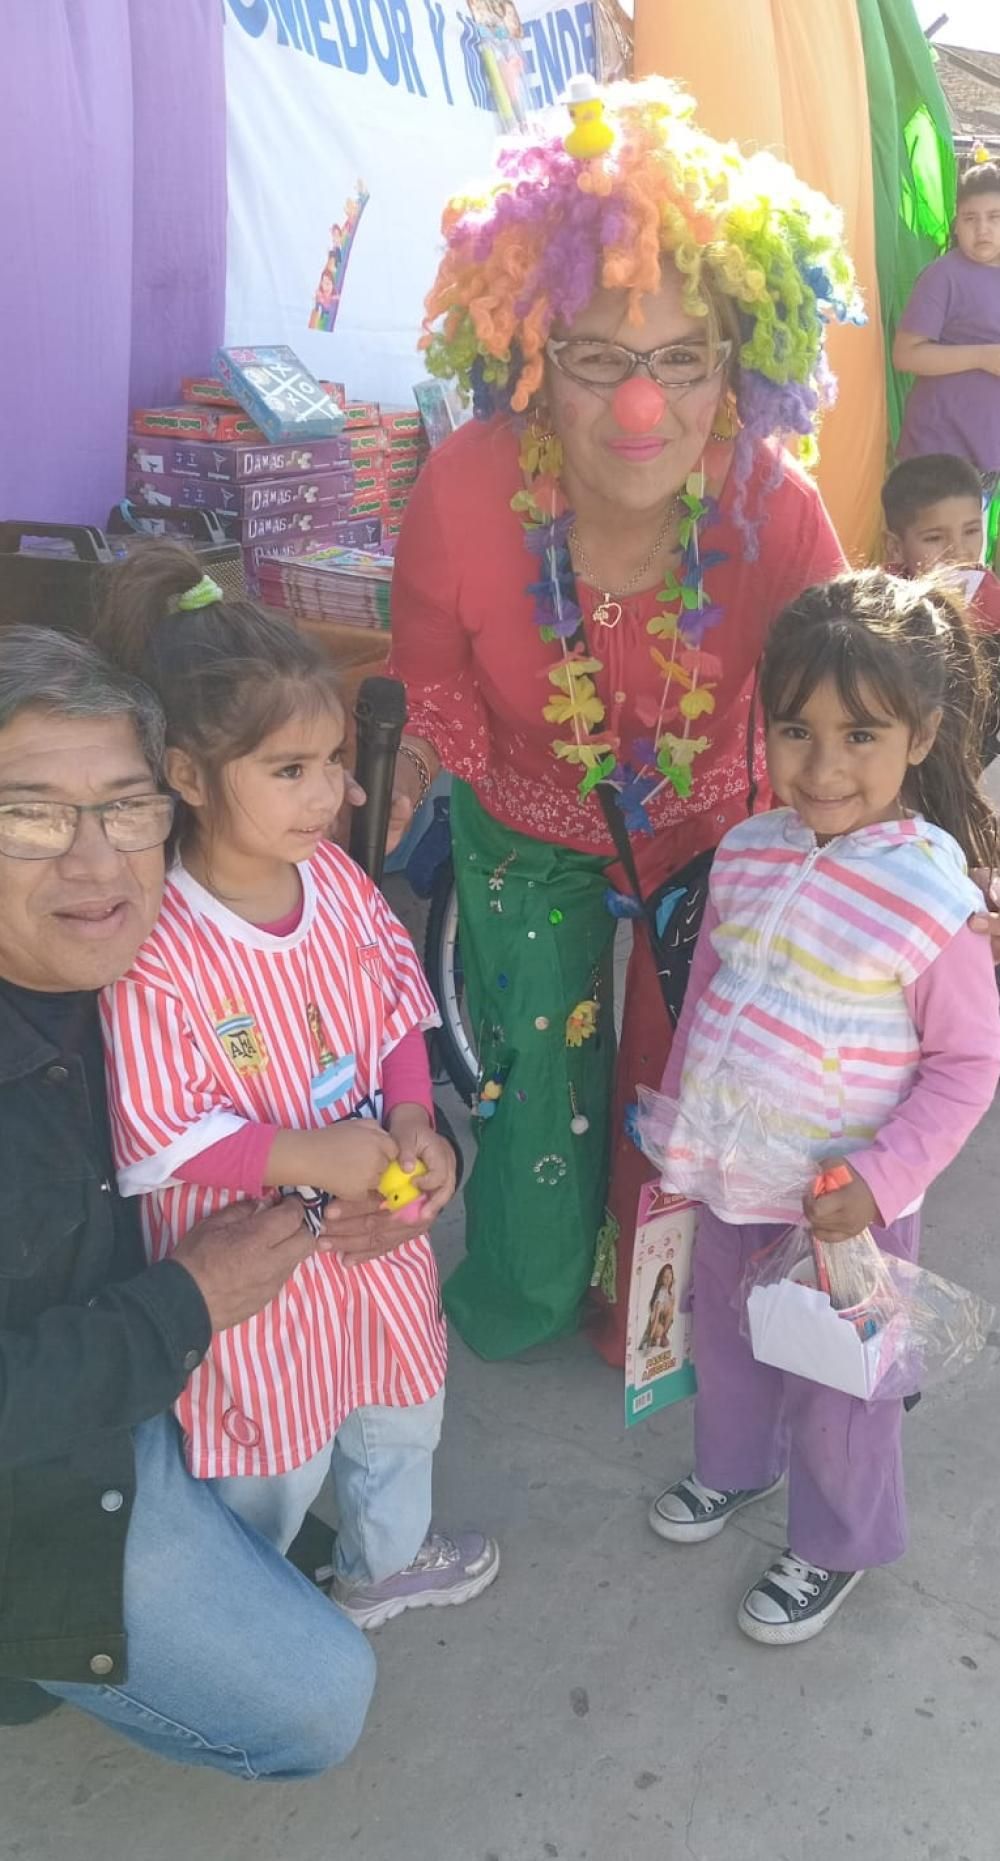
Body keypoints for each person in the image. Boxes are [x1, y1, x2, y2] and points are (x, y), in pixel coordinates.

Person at [387, 76, 855, 1363]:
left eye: (682, 358)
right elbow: (427, 688)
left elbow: (841, 696)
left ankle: (642, 1324)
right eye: (598, 357)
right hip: (524, 822)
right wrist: (398, 792)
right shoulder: (461, 491)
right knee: (537, 1088)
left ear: (735, 361)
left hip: (707, 835)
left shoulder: (774, 506)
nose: (643, 406)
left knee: (679, 1092)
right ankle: (526, 1287)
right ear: (531, 358)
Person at [94, 541, 499, 1631]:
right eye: (289, 769)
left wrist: (411, 1117)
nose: (330, 793)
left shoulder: (337, 883)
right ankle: (245, 1624)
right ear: (187, 774)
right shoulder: (157, 940)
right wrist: (306, 1153)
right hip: (257, 1281)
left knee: (398, 1412)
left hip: (373, 1247)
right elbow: (158, 1127)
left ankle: (384, 1561)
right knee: (269, 1464)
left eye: (331, 761)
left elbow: (395, 1004)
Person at [0, 624, 378, 1772]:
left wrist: (402, 1148)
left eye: (125, 807)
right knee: (315, 1701)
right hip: (42, 1458)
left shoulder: (166, 945)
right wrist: (189, 1301)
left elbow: (347, 1030)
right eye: (30, 815)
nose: (95, 862)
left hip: (152, 1367)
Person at [640, 571, 1000, 1645]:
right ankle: (736, 1464)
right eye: (796, 730)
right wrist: (681, 1122)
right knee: (731, 1341)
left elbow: (966, 1065)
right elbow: (710, 996)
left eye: (861, 735)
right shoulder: (750, 851)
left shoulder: (932, 898)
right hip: (733, 1174)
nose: (824, 766)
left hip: (845, 1213)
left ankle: (836, 1541)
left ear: (920, 735)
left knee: (841, 1384)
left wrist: (878, 1183)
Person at [893, 155, 1000, 481]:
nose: (982, 229)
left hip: (988, 455)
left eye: (994, 217)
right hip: (939, 452)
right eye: (970, 218)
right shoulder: (943, 276)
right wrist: (983, 357)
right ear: (956, 224)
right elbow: (905, 355)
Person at [881, 451, 1000, 631]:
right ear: (895, 547)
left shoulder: (991, 597)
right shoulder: (878, 604)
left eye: (971, 531)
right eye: (934, 538)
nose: (958, 552)